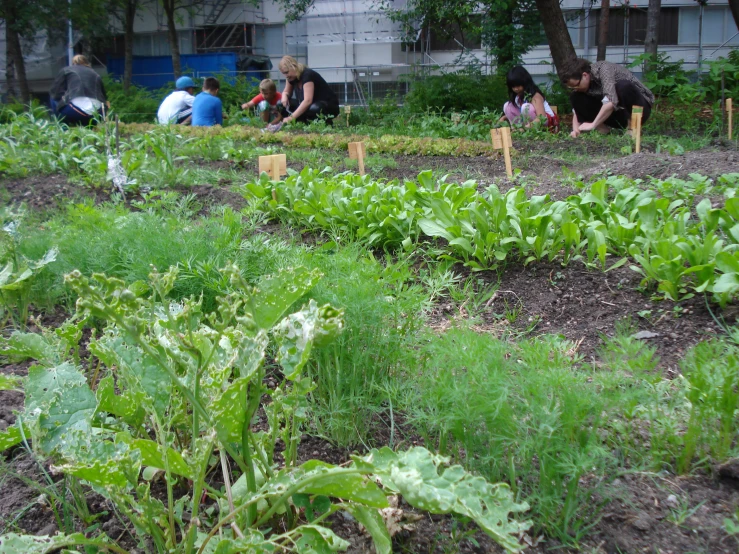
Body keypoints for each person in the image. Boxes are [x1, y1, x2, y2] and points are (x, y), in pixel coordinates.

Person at [561, 58, 654, 139]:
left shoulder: (604, 69)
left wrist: (593, 125)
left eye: (576, 85)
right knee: (575, 96)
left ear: (585, 75)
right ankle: (603, 130)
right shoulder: (581, 86)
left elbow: (611, 101)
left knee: (623, 86)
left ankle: (632, 128)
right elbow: (577, 110)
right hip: (617, 113)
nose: (576, 88)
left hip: (639, 107)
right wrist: (576, 130)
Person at [278, 56, 340, 126]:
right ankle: (290, 124)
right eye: (284, 73)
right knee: (280, 104)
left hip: (327, 106)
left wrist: (291, 118)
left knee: (315, 108)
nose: (286, 76)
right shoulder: (291, 77)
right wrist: (284, 96)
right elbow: (286, 92)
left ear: (294, 66)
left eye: (287, 72)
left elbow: (307, 101)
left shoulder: (307, 75)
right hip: (310, 106)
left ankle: (324, 124)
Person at [50, 54, 108, 126]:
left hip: (75, 111)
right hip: (97, 113)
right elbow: (104, 98)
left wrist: (64, 97)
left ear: (73, 63)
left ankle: (63, 128)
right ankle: (88, 128)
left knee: (53, 98)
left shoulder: (66, 70)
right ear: (87, 63)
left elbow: (56, 92)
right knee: (87, 118)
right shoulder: (96, 74)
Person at [500, 66, 559, 132]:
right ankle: (515, 130)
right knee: (507, 106)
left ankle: (527, 131)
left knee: (526, 107)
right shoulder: (517, 96)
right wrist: (504, 117)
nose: (516, 89)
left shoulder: (535, 96)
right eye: (513, 86)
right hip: (528, 124)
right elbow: (519, 112)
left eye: (518, 85)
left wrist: (525, 128)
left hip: (547, 124)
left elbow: (542, 118)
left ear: (525, 82)